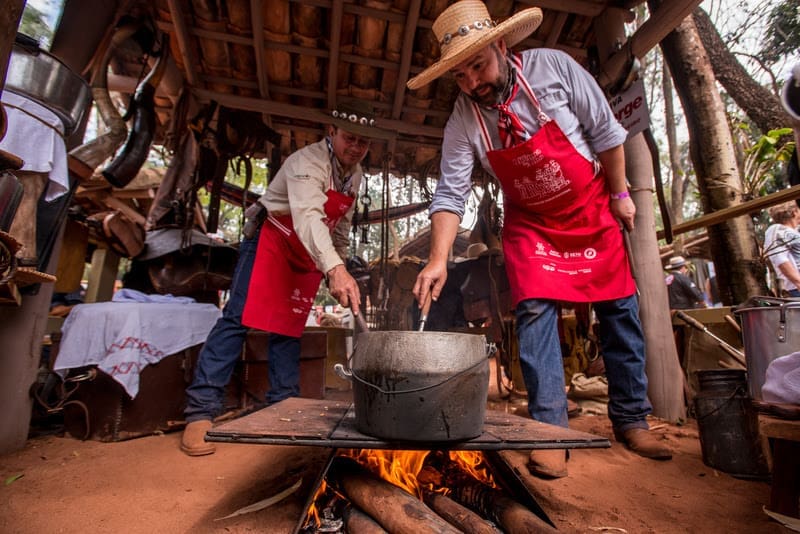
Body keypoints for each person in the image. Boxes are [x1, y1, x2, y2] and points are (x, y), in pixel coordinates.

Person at [408, 0, 671, 479]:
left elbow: (608, 134)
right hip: (530, 221)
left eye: (478, 67)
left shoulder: (555, 69)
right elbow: (450, 192)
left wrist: (619, 195)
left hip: (590, 205)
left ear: (502, 46)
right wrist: (438, 260)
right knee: (533, 311)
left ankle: (632, 418)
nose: (473, 83)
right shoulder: (463, 119)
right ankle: (550, 429)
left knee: (619, 308)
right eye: (460, 76)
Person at [180, 100, 392, 456]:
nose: (355, 148)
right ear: (331, 132)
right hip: (271, 239)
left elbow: (336, 226)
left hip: (307, 250)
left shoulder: (354, 176)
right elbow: (309, 217)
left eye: (363, 143)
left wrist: (336, 264)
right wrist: (333, 268)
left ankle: (283, 405)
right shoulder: (306, 163)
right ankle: (200, 411)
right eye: (350, 139)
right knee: (238, 319)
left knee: (288, 327)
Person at [763, 201, 800, 298]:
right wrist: (798, 282)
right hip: (796, 289)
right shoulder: (777, 230)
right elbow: (779, 258)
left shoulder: (794, 231)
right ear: (794, 212)